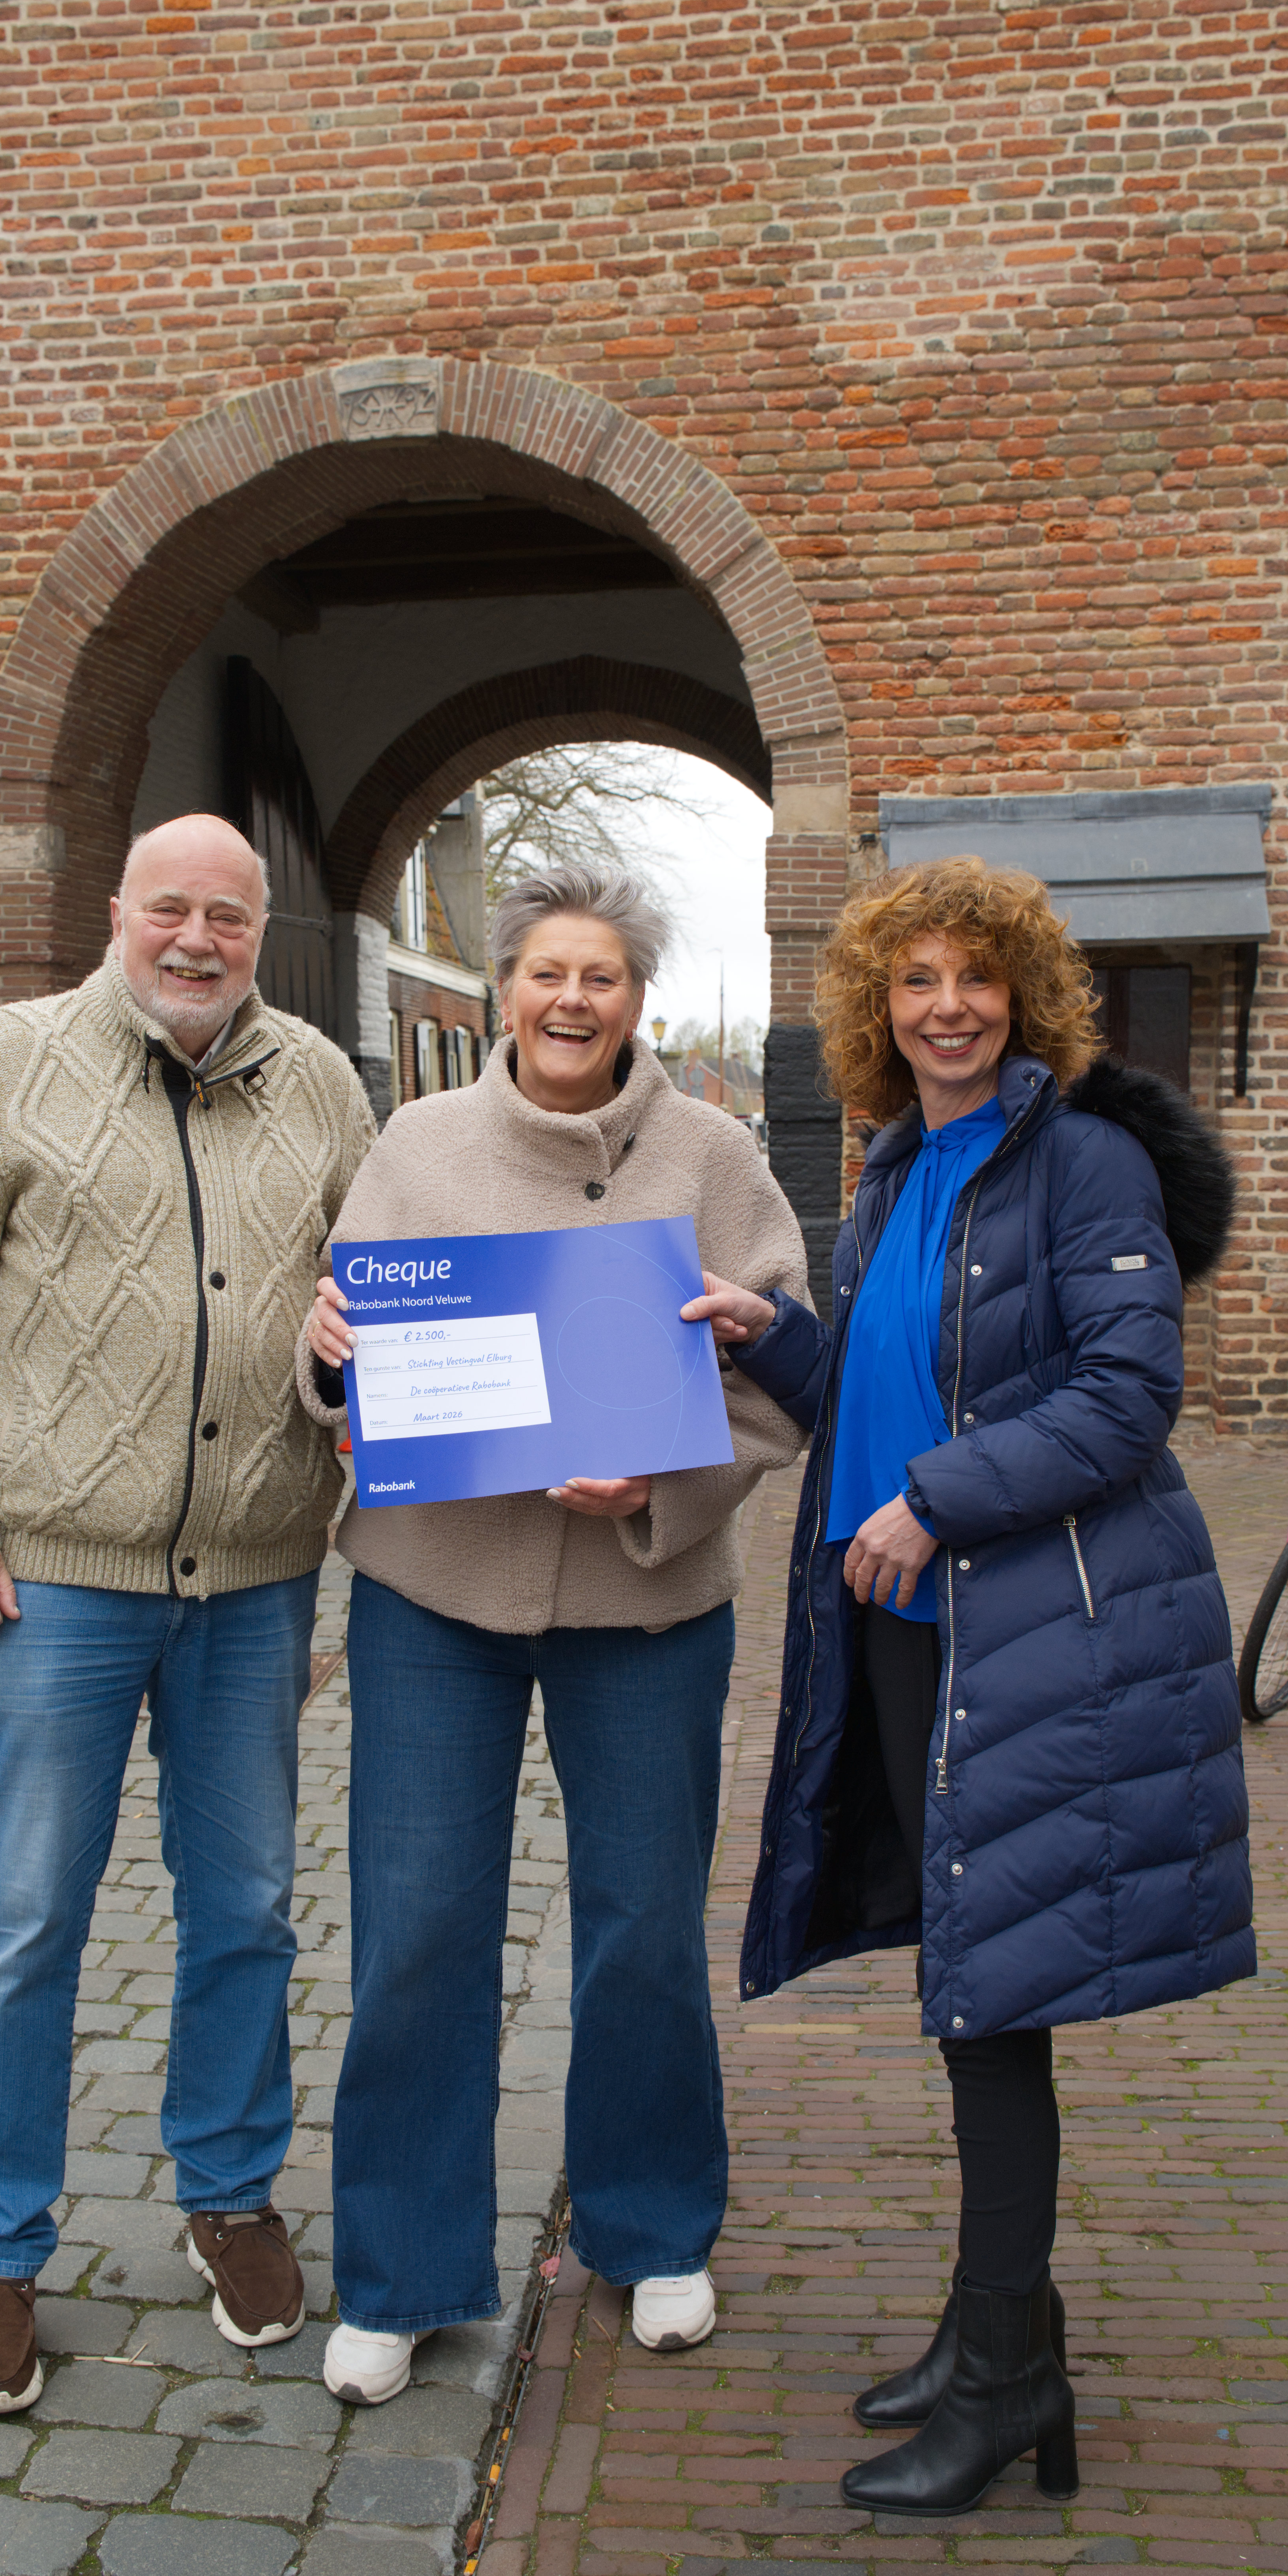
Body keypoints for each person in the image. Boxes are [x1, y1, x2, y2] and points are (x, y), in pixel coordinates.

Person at [691, 855, 1252, 2515]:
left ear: (1024, 997)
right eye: (914, 979)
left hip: (1017, 1627)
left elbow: (1123, 1396)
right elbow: (885, 1386)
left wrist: (935, 1502)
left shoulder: (1077, 1161)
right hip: (896, 1620)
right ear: (877, 1006)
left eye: (975, 977)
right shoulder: (890, 1166)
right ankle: (995, 2330)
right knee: (966, 1981)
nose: (946, 1007)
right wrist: (764, 1332)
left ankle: (1007, 2374)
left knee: (992, 2001)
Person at [0, 813, 377, 2416]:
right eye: (171, 908)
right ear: (117, 912)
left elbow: (369, 1309)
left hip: (256, 1583)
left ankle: (229, 2193)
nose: (197, 938)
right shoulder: (3, 1064)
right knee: (20, 1926)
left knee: (248, 1910)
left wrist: (352, 1381)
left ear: (262, 928)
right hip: (51, 1585)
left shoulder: (323, 1086)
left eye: (229, 913)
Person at [299, 862, 809, 2405]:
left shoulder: (714, 1155)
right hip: (432, 1593)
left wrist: (663, 1480)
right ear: (503, 989)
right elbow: (342, 1352)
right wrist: (325, 1352)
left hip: (644, 1603)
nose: (569, 1000)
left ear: (636, 999)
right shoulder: (416, 1143)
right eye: (545, 972)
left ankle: (651, 2230)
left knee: (642, 1925)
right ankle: (401, 2272)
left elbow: (781, 1377)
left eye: (600, 976)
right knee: (416, 1930)